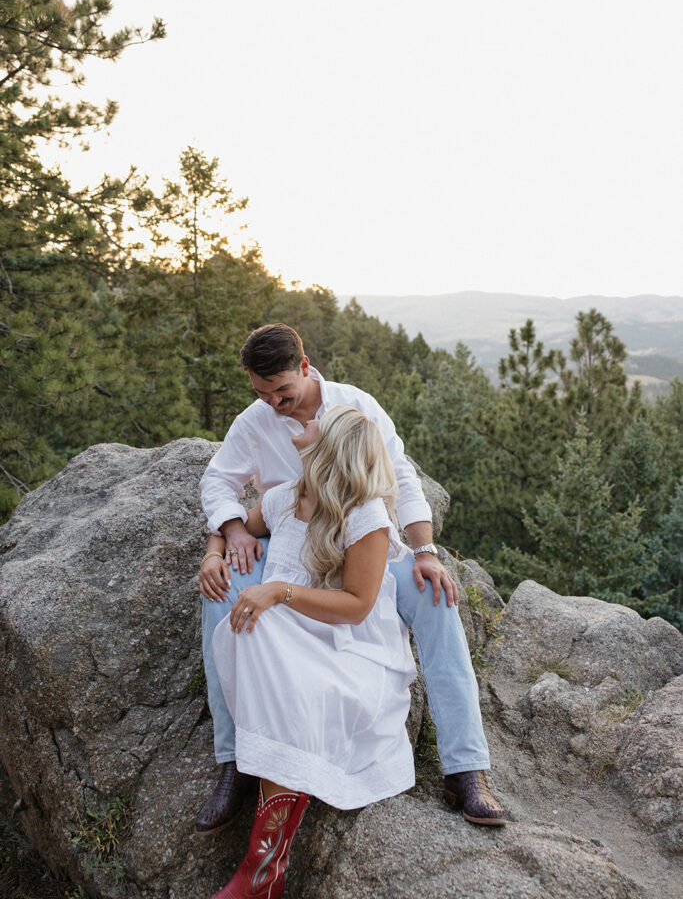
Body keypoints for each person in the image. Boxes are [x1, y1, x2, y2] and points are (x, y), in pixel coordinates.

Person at [198, 323, 505, 833]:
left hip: (361, 539)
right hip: (287, 533)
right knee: (222, 594)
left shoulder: (354, 406)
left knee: (436, 598)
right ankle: (235, 762)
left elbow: (400, 475)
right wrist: (229, 534)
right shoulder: (256, 420)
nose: (273, 402)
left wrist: (426, 549)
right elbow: (219, 479)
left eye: (282, 391)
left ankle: (465, 767)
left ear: (304, 366)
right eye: (261, 392)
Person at [205, 406, 417, 899]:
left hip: (348, 647)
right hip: (291, 636)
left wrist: (278, 590)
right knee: (253, 625)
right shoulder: (285, 499)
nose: (305, 424)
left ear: (332, 447)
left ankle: (260, 873)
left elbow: (359, 605)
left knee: (270, 625)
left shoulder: (365, 515)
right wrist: (216, 550)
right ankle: (264, 876)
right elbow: (238, 524)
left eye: (316, 426)